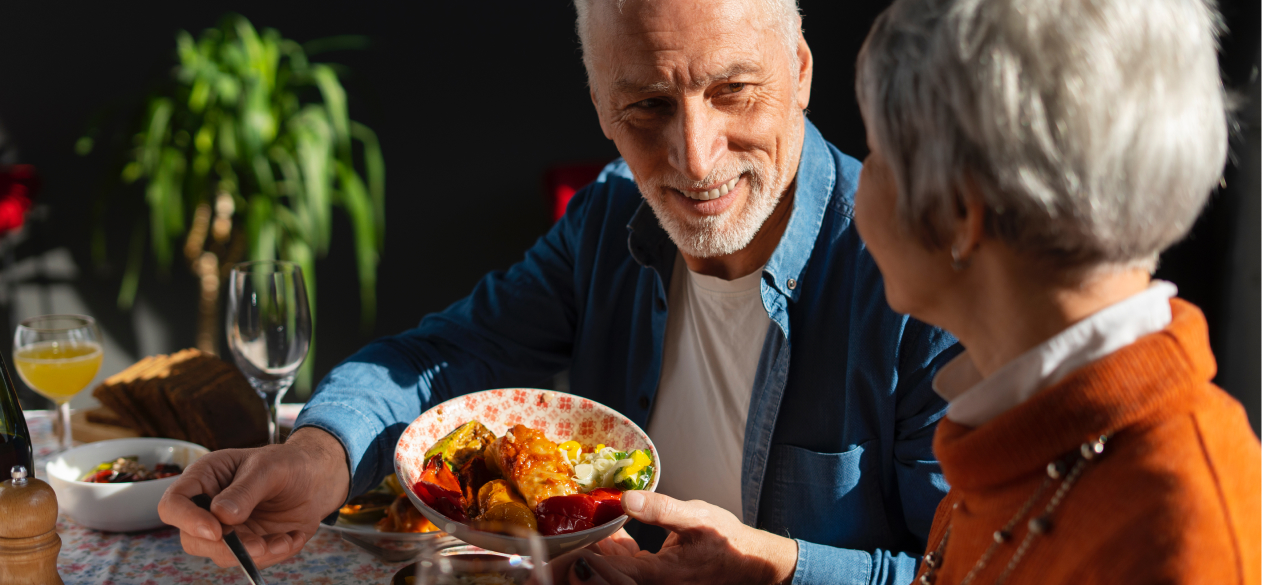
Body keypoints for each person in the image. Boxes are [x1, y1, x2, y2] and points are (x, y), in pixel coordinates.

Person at [159, 0, 961, 583]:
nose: (693, 153)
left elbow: (974, 568)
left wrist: (777, 568)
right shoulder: (608, 218)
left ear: (802, 72)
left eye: (734, 91)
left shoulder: (922, 282)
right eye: (647, 105)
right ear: (602, 111)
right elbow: (443, 358)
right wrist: (318, 455)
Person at [830, 0, 1257, 582]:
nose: (860, 175)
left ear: (959, 210)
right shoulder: (1018, 432)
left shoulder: (1190, 536)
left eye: (876, 152)